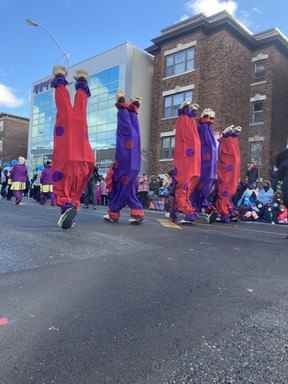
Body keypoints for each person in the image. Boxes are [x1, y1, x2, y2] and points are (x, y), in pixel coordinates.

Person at [51, 65, 95, 229]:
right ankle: (69, 209)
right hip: (84, 156)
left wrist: (59, 79)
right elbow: (81, 99)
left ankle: (66, 208)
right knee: (75, 188)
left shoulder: (65, 117)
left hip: (66, 153)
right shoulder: (81, 116)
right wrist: (81, 81)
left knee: (63, 187)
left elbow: (61, 99)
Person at [104, 92, 144, 224]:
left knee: (126, 132)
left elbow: (124, 128)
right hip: (133, 162)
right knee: (128, 188)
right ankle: (133, 211)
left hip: (125, 163)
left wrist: (122, 105)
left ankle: (115, 212)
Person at [172, 100, 201, 224]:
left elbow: (184, 134)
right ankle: (175, 212)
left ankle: (189, 213)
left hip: (186, 167)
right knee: (184, 192)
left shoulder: (186, 124)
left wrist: (185, 113)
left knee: (181, 192)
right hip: (193, 167)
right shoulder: (193, 128)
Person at [191, 108, 217, 214]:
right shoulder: (201, 128)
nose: (209, 120)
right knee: (197, 188)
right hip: (201, 164)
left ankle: (205, 207)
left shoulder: (208, 130)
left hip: (207, 166)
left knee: (203, 187)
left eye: (211, 118)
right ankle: (198, 208)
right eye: (207, 117)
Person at [214, 125, 242, 223]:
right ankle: (229, 212)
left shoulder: (227, 149)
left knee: (224, 194)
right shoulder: (234, 152)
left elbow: (222, 156)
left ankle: (225, 213)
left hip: (226, 174)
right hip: (231, 174)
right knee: (227, 194)